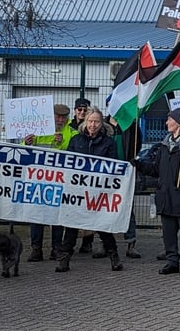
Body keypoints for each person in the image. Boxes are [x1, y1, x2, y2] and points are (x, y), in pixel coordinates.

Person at [133, 109, 180, 276]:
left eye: (169, 120)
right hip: (166, 197)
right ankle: (172, 261)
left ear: (179, 123)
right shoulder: (164, 145)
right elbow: (156, 169)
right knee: (168, 232)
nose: (166, 123)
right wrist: (140, 165)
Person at [55, 107, 123, 272]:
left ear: (102, 124)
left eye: (97, 122)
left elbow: (113, 166)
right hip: (77, 191)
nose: (93, 125)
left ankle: (114, 257)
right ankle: (64, 260)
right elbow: (68, 163)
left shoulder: (109, 143)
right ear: (85, 122)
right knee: (71, 226)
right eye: (90, 121)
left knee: (102, 226)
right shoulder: (76, 140)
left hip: (98, 193)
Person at [22, 103, 78, 262]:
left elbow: (74, 155)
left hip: (59, 181)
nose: (60, 120)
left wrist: (61, 144)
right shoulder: (37, 130)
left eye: (63, 117)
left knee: (57, 217)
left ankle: (56, 249)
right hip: (38, 180)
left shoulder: (71, 133)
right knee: (36, 216)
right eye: (57, 116)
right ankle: (36, 249)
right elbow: (23, 151)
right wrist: (27, 143)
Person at [103, 100, 144, 259]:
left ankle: (130, 244)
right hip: (106, 174)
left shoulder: (130, 125)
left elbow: (137, 143)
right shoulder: (103, 125)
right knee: (104, 208)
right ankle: (105, 244)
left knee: (128, 209)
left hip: (125, 174)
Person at [69, 97, 96, 254]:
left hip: (91, 179)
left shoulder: (98, 129)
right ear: (75, 111)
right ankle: (70, 242)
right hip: (75, 177)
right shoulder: (69, 128)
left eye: (85, 110)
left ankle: (87, 242)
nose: (82, 112)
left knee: (90, 211)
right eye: (79, 109)